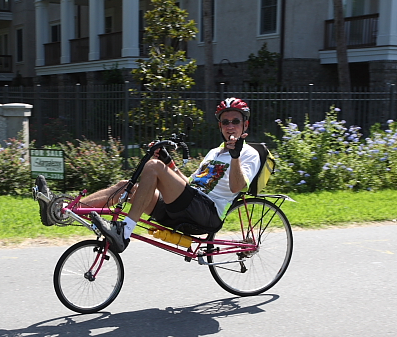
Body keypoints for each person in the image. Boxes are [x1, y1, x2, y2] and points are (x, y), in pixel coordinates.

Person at [35, 98, 261, 253]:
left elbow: (237, 188)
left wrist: (235, 156)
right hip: (188, 205)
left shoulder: (248, 154)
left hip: (206, 215)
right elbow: (189, 185)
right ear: (220, 125)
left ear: (245, 124)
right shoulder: (214, 152)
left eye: (235, 121)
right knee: (126, 187)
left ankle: (124, 233)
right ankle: (61, 211)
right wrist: (167, 162)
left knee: (152, 167)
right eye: (225, 121)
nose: (230, 126)